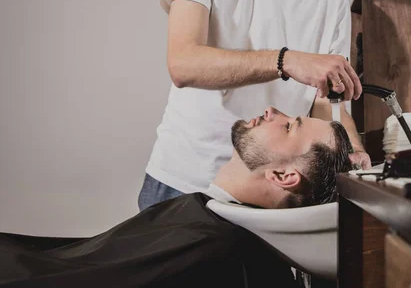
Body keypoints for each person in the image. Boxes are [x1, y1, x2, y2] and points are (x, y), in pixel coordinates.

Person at [0, 107, 353, 288]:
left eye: (289, 126)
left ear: (282, 176)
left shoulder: (215, 246)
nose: (273, 112)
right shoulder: (209, 225)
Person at [140, 0, 372, 210]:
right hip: (182, 182)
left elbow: (326, 103)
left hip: (268, 194)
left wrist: (352, 149)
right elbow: (183, 64)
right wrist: (286, 61)